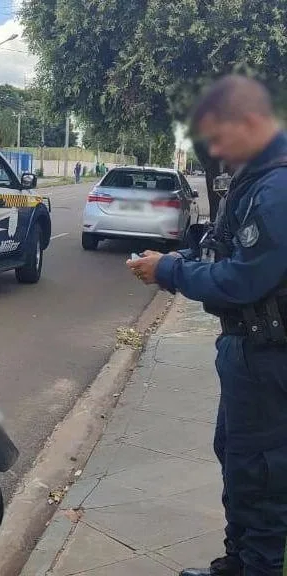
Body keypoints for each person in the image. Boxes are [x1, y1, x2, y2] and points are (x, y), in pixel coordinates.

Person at [127, 75, 287, 576]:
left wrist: (170, 271)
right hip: (246, 353)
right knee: (238, 459)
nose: (214, 149)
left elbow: (244, 279)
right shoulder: (254, 177)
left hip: (268, 356)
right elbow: (223, 245)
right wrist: (176, 258)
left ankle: (256, 566)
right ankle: (237, 563)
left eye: (220, 136)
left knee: (260, 473)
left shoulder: (278, 188)